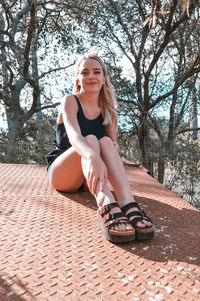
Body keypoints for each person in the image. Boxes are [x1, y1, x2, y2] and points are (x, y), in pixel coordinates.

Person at [47, 53, 154, 243]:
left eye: (96, 72)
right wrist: (92, 156)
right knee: (90, 139)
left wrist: (104, 155)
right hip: (64, 174)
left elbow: (112, 147)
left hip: (91, 179)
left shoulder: (109, 111)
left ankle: (127, 202)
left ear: (104, 79)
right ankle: (106, 202)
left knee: (105, 142)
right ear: (78, 79)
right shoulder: (70, 101)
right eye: (85, 72)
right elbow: (74, 136)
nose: (91, 76)